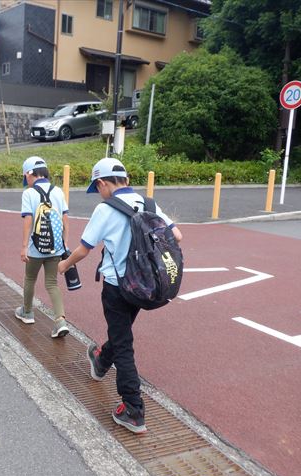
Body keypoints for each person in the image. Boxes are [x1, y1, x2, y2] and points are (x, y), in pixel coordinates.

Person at [57, 157, 182, 434]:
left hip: (117, 287)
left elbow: (84, 248)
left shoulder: (106, 208)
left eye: (97, 187)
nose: (98, 193)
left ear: (102, 182)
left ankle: (133, 410)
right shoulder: (149, 204)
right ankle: (100, 360)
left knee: (124, 344)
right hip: (145, 287)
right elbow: (178, 236)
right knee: (121, 333)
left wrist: (65, 265)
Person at [15, 156, 70, 339]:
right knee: (52, 283)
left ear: (30, 174)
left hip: (36, 247)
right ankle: (60, 321)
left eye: (26, 177)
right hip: (56, 246)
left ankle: (28, 312)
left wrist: (24, 246)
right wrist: (65, 243)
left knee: (30, 278)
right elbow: (64, 220)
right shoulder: (58, 192)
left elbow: (28, 219)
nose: (26, 181)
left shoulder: (29, 194)